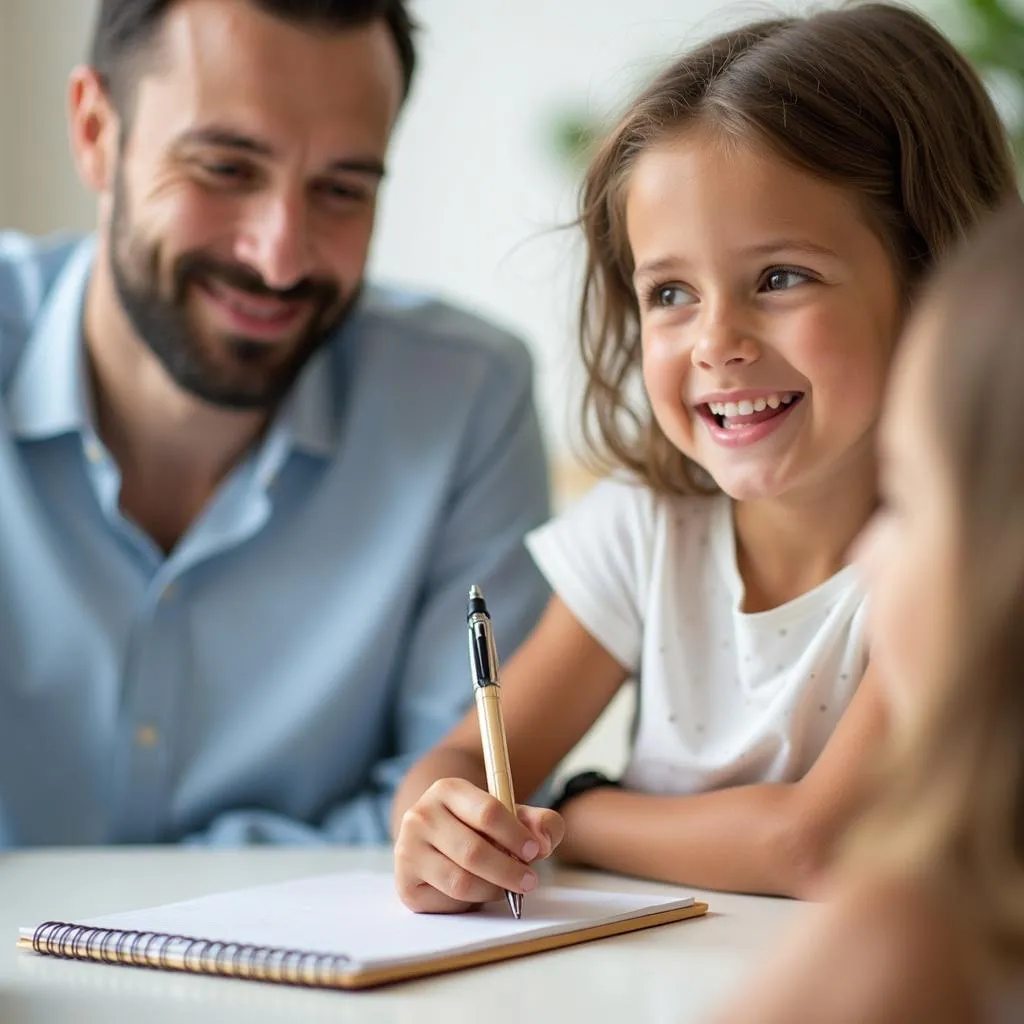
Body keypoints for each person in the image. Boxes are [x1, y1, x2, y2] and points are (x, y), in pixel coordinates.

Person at [391, 2, 1019, 912]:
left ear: (932, 277)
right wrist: (441, 829)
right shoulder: (650, 527)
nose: (716, 341)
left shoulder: (967, 555)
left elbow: (817, 843)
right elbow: (456, 763)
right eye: (672, 292)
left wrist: (582, 810)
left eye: (780, 277)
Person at [0, 0, 551, 847]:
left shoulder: (466, 402)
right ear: (96, 132)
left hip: (296, 984)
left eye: (340, 189)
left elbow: (457, 823)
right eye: (225, 167)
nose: (281, 255)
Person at [715, 197, 1024, 1024]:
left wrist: (577, 804)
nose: (866, 554)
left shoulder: (921, 931)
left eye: (906, 500)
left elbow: (803, 840)